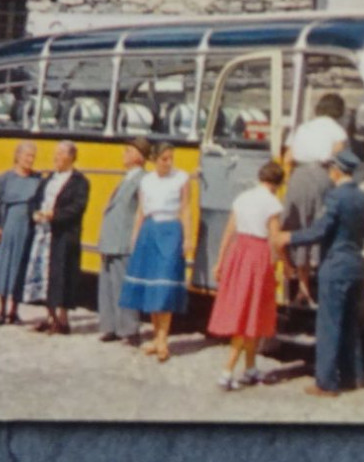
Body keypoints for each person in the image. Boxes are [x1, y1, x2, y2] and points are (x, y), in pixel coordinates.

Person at [278, 148, 364, 397]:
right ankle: (353, 375)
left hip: (335, 265)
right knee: (350, 325)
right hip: (356, 265)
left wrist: (290, 237)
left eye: (331, 169)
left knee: (329, 324)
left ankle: (326, 382)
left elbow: (320, 230)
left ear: (337, 171)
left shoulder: (335, 198)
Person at [207, 160, 288, 390]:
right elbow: (275, 239)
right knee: (247, 314)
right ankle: (226, 372)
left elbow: (229, 231)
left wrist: (220, 261)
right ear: (277, 184)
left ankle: (250, 368)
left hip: (238, 253)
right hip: (257, 257)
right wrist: (284, 265)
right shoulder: (272, 203)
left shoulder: (242, 198)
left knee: (249, 311)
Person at [119, 142, 195, 363]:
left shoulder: (181, 178)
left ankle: (163, 338)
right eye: (164, 159)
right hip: (149, 231)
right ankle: (155, 336)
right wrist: (135, 237)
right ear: (154, 159)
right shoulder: (146, 180)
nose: (168, 163)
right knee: (151, 285)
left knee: (165, 284)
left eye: (171, 158)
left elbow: (186, 208)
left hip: (171, 230)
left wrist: (188, 237)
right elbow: (141, 211)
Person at [281, 93, 348, 303]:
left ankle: (302, 286)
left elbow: (287, 158)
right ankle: (320, 286)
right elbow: (339, 160)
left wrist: (287, 183)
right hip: (322, 175)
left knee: (299, 228)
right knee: (321, 228)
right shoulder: (337, 131)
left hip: (298, 177)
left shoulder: (302, 128)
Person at [22, 140, 90, 335]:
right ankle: (50, 316)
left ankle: (63, 319)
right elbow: (35, 199)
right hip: (44, 234)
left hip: (64, 235)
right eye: (55, 154)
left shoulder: (79, 182)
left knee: (63, 276)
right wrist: (34, 213)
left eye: (60, 155)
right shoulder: (49, 178)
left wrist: (55, 215)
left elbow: (77, 207)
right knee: (46, 276)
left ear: (70, 157)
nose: (56, 158)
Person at [96, 137, 151, 344]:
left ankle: (129, 328)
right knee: (107, 284)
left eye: (127, 151)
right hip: (111, 237)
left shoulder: (143, 179)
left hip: (124, 239)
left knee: (123, 284)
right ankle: (110, 326)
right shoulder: (126, 178)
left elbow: (142, 209)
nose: (123, 154)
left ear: (138, 155)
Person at [0, 141, 41, 326]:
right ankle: (1, 310)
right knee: (5, 265)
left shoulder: (37, 179)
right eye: (27, 155)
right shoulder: (5, 178)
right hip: (9, 224)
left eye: (33, 156)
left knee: (21, 266)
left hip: (28, 227)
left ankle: (14, 311)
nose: (30, 160)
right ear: (18, 156)